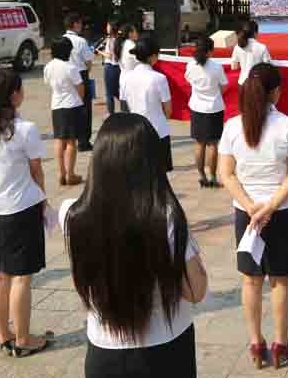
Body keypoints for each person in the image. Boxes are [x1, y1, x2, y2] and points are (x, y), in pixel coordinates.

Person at [60, 114, 208, 378]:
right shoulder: (166, 218)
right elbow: (195, 291)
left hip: (104, 352)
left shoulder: (71, 214)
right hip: (164, 349)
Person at [218, 63, 288, 369]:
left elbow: (226, 174)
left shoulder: (232, 126)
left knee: (251, 281)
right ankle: (281, 344)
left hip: (247, 215)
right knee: (280, 280)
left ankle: (256, 344)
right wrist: (269, 207)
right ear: (276, 92)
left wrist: (251, 206)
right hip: (282, 212)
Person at [0, 69, 51, 357]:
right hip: (19, 209)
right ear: (14, 94)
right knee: (21, 277)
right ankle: (23, 339)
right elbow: (36, 170)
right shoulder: (25, 129)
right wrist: (43, 199)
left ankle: (4, 336)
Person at [119, 37, 174, 172]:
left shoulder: (126, 78)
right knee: (159, 174)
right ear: (153, 56)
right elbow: (168, 110)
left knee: (139, 173)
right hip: (158, 130)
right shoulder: (159, 78)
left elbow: (124, 105)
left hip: (135, 131)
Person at [186, 37, 228, 188]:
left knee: (199, 143)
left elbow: (188, 80)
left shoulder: (190, 65)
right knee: (212, 144)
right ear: (210, 51)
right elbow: (224, 86)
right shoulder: (216, 67)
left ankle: (201, 176)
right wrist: (215, 93)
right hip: (214, 108)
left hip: (197, 107)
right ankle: (213, 177)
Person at [43, 38, 85, 186]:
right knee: (71, 141)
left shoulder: (48, 67)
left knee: (59, 139)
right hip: (72, 104)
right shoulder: (70, 67)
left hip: (56, 105)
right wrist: (80, 100)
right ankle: (71, 174)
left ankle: (61, 172)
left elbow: (48, 83)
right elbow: (80, 87)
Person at [63, 13, 95, 152]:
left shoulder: (61, 39)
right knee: (84, 108)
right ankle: (83, 141)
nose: (81, 26)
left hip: (64, 75)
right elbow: (88, 62)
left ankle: (69, 139)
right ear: (75, 24)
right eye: (80, 23)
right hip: (80, 74)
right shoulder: (81, 41)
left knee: (68, 105)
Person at [232, 20, 271, 86]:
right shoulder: (262, 47)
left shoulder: (237, 47)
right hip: (257, 84)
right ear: (255, 33)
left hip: (242, 83)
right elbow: (268, 67)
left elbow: (234, 67)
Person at [99, 21, 122, 117]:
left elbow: (109, 56)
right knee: (117, 91)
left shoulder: (109, 40)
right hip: (119, 68)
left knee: (109, 93)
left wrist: (99, 51)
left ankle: (110, 113)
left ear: (112, 28)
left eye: (108, 26)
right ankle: (127, 107)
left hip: (110, 67)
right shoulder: (120, 39)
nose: (106, 28)